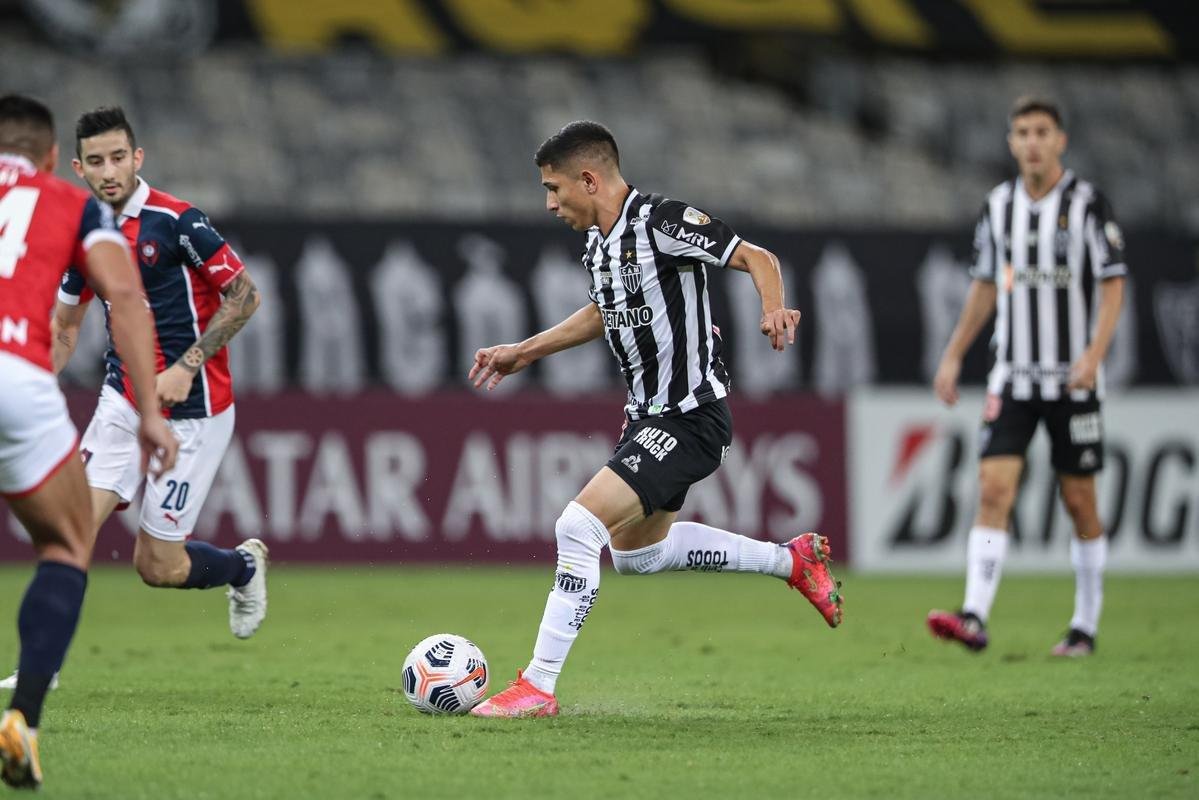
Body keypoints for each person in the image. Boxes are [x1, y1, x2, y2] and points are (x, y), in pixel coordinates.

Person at [466, 121, 843, 718]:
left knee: (576, 528)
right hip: (646, 418)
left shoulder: (662, 222)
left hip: (691, 417)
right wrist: (524, 352)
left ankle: (537, 686)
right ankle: (791, 560)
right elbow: (602, 312)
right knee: (637, 554)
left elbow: (755, 256)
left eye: (554, 187)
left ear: (588, 179)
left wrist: (774, 308)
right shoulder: (598, 245)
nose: (549, 203)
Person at [1, 106, 267, 697]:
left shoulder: (177, 222)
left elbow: (246, 297)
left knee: (157, 567)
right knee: (71, 531)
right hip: (121, 403)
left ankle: (242, 568)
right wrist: (31, 381)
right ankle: (41, 668)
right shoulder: (81, 231)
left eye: (119, 157)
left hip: (197, 410)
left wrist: (185, 365)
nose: (109, 170)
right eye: (95, 161)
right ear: (77, 167)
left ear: (137, 157)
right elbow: (65, 329)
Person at [0, 94, 178, 790]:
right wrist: (150, 414)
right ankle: (23, 720)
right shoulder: (75, 206)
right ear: (53, 159)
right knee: (67, 544)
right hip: (18, 375)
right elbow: (126, 301)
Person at [927, 96, 1126, 657]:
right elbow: (986, 283)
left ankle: (1084, 625)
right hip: (1012, 377)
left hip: (1073, 382)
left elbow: (1113, 281)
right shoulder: (998, 205)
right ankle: (974, 615)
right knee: (993, 489)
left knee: (1080, 501)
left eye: (1042, 131)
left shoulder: (1088, 203)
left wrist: (1093, 355)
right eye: (1022, 132)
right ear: (1011, 142)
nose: (1032, 141)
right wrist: (953, 353)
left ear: (1060, 140)